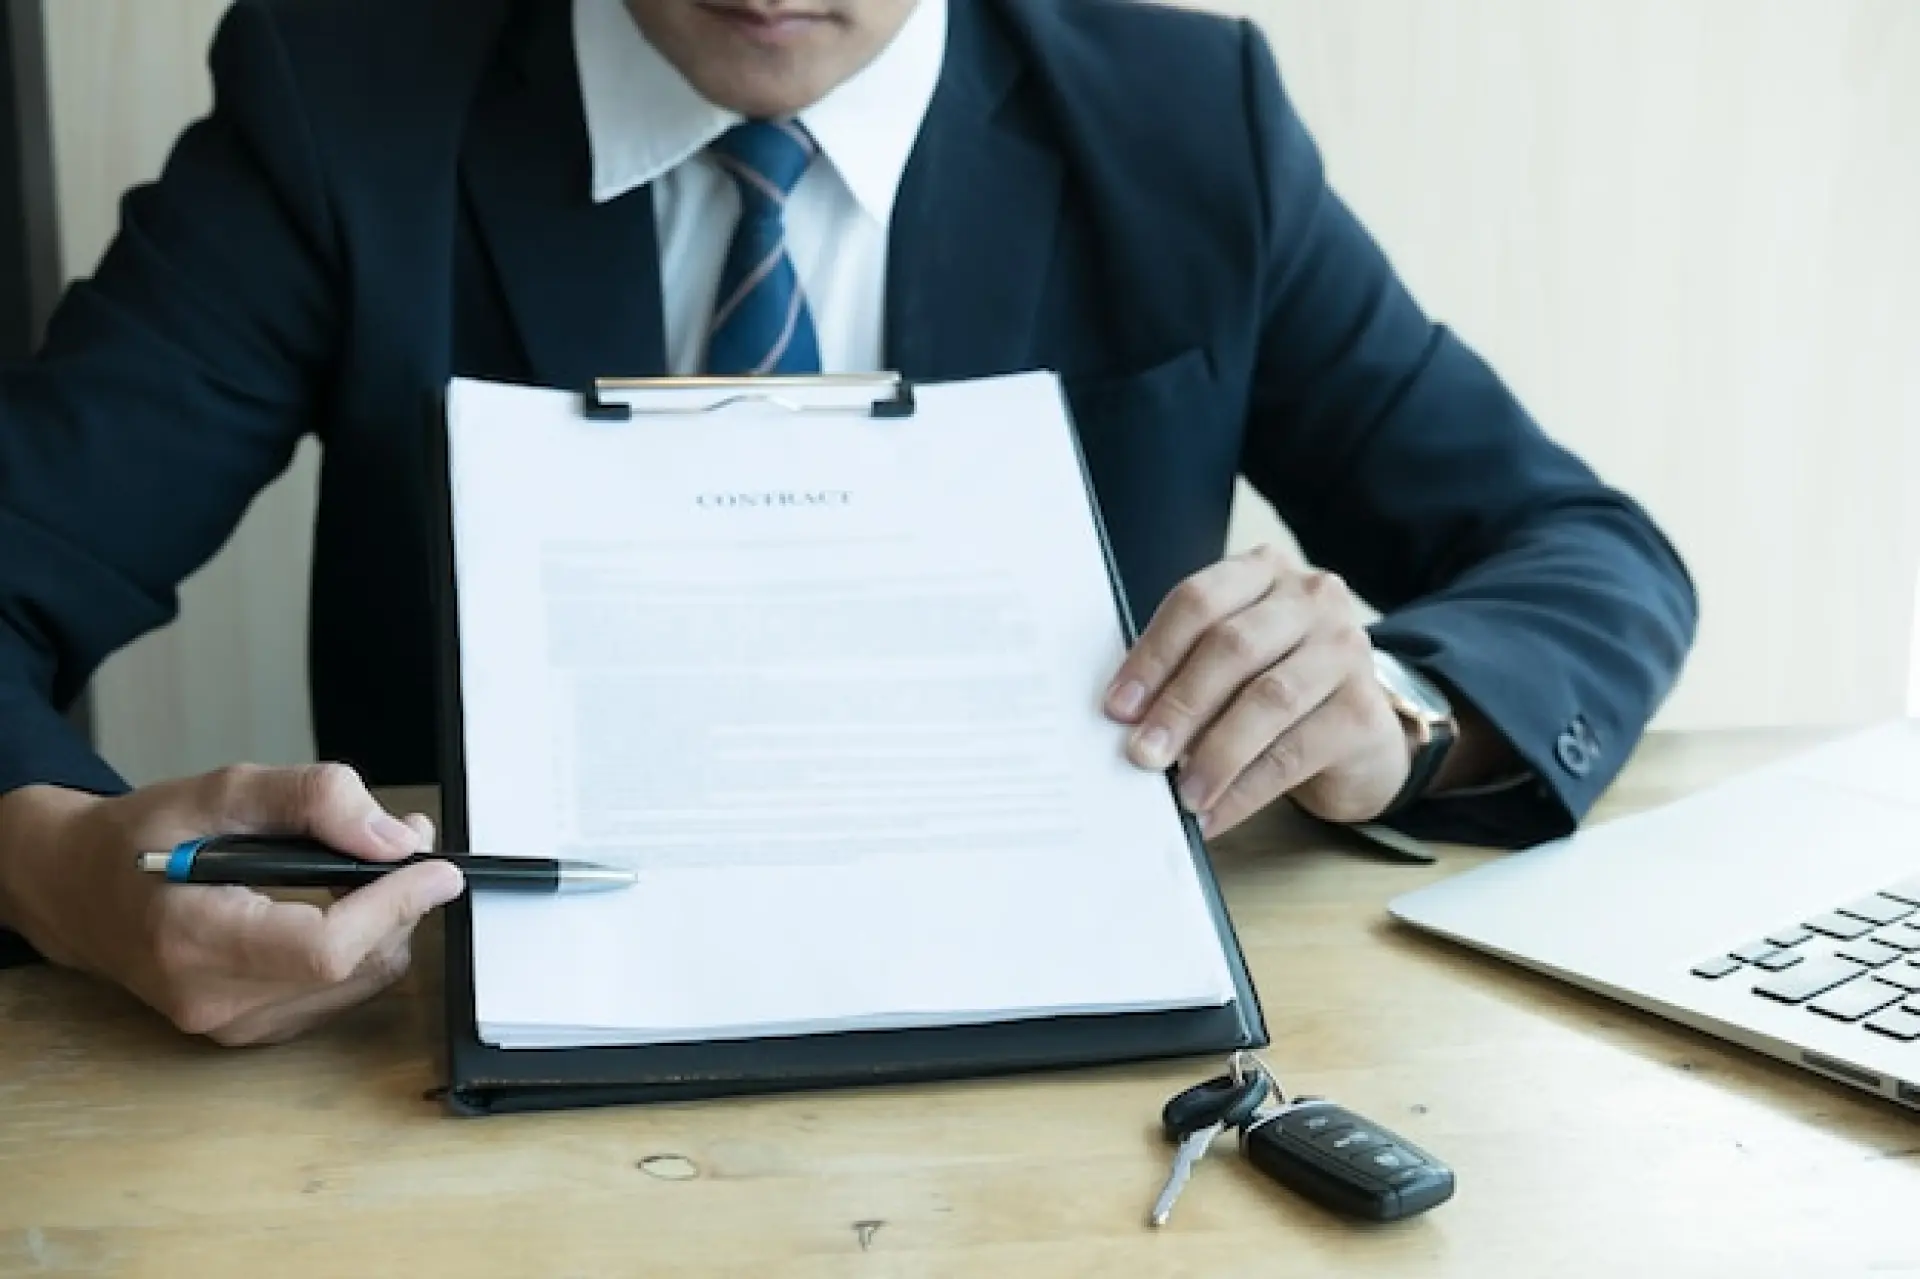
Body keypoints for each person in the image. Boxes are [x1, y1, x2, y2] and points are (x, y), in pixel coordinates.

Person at [0, 0, 1695, 1044]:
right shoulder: (335, 97)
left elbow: (1582, 556)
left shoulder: (1192, 125)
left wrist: (1395, 711)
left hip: (1077, 1083)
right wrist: (69, 871)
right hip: (454, 1069)